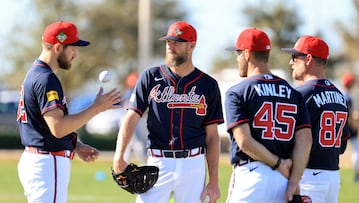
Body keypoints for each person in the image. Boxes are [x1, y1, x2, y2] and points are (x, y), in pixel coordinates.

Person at [112, 21, 224, 203]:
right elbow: (131, 118)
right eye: (168, 41)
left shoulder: (208, 84)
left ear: (192, 45)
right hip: (158, 162)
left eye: (177, 42)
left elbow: (212, 136)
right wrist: (119, 156)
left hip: (193, 164)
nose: (171, 46)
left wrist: (214, 181)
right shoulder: (150, 76)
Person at [16, 21, 122, 203]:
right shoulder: (46, 79)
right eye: (72, 48)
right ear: (58, 47)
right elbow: (58, 127)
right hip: (47, 163)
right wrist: (96, 107)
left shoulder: (36, 74)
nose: (76, 54)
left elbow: (46, 127)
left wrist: (76, 145)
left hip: (39, 161)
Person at [224, 28, 312, 203]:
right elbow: (305, 140)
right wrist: (294, 180)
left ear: (247, 54)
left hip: (251, 177)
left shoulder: (237, 92)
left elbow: (244, 142)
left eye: (239, 53)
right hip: (283, 182)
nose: (237, 58)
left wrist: (279, 163)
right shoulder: (293, 93)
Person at [282, 35, 350, 203]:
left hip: (308, 177)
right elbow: (341, 146)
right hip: (333, 176)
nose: (291, 62)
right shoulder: (339, 95)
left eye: (294, 57)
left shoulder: (302, 94)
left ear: (309, 58)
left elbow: (286, 142)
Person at [121, 72, 147, 164]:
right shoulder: (130, 92)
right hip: (131, 121)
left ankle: (124, 165)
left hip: (136, 121)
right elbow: (127, 106)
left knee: (133, 145)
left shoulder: (134, 91)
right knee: (137, 144)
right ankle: (144, 164)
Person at [341, 73, 359, 182]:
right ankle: (356, 175)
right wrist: (356, 123)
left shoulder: (342, 95)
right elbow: (348, 116)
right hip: (348, 128)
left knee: (338, 152)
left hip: (341, 128)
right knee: (357, 151)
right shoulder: (347, 97)